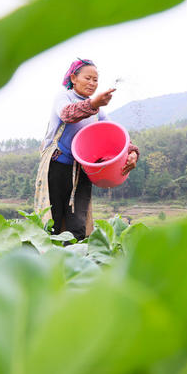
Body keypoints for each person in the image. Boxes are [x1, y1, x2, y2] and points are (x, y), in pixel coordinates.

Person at [34, 58, 139, 240]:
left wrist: (132, 152)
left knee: (78, 227)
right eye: (88, 78)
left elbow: (114, 135)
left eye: (96, 80)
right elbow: (67, 114)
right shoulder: (64, 97)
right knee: (52, 223)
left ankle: (75, 263)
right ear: (74, 78)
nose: (92, 83)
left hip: (82, 170)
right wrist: (93, 104)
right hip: (57, 167)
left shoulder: (98, 111)